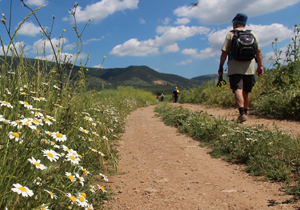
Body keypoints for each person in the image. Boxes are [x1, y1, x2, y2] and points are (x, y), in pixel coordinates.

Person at [218, 13, 264, 123]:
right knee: (247, 91)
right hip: (250, 66)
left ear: (235, 23)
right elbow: (258, 51)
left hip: (234, 66)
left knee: (238, 88)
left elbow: (224, 52)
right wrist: (260, 66)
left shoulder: (231, 34)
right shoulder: (252, 34)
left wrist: (221, 66)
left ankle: (242, 113)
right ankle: (246, 112)